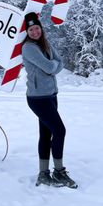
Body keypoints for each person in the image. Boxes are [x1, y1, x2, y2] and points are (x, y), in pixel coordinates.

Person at [22, 11, 78, 189]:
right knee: (60, 130)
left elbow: (59, 62)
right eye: (31, 29)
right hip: (38, 98)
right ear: (27, 31)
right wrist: (52, 66)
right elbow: (49, 66)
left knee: (46, 134)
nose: (34, 32)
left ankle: (44, 173)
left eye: (37, 28)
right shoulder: (29, 47)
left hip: (51, 96)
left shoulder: (45, 44)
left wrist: (52, 66)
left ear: (41, 28)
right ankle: (59, 172)